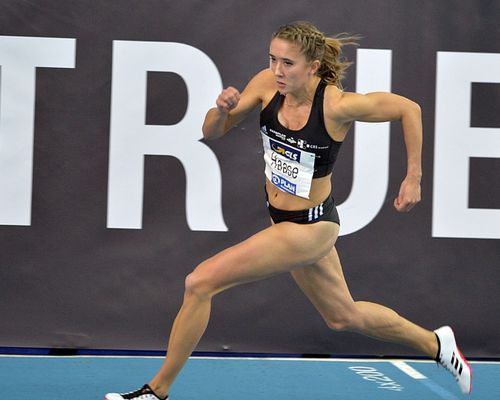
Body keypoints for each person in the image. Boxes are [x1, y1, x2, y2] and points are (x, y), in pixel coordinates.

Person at [105, 21, 472, 399]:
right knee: (343, 315)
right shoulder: (267, 86)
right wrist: (220, 110)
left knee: (200, 282)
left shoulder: (337, 106)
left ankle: (157, 391)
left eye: (288, 63)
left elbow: (408, 109)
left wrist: (414, 177)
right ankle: (437, 344)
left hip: (310, 229)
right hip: (284, 221)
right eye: (273, 59)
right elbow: (213, 132)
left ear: (312, 66)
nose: (278, 70)